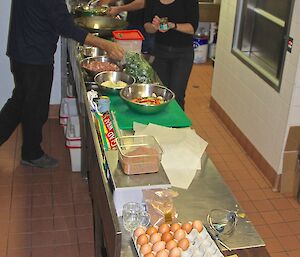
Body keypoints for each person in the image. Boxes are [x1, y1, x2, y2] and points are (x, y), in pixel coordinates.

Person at [0, 0, 124, 169]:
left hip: (22, 51)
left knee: (20, 102)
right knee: (35, 109)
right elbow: (65, 26)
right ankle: (32, 154)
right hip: (35, 57)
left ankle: (29, 152)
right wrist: (106, 44)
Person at [144, 0, 199, 109]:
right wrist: (154, 27)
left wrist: (172, 26)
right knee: (158, 93)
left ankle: (177, 125)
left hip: (182, 54)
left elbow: (192, 28)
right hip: (160, 51)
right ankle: (160, 124)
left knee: (177, 95)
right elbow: (147, 26)